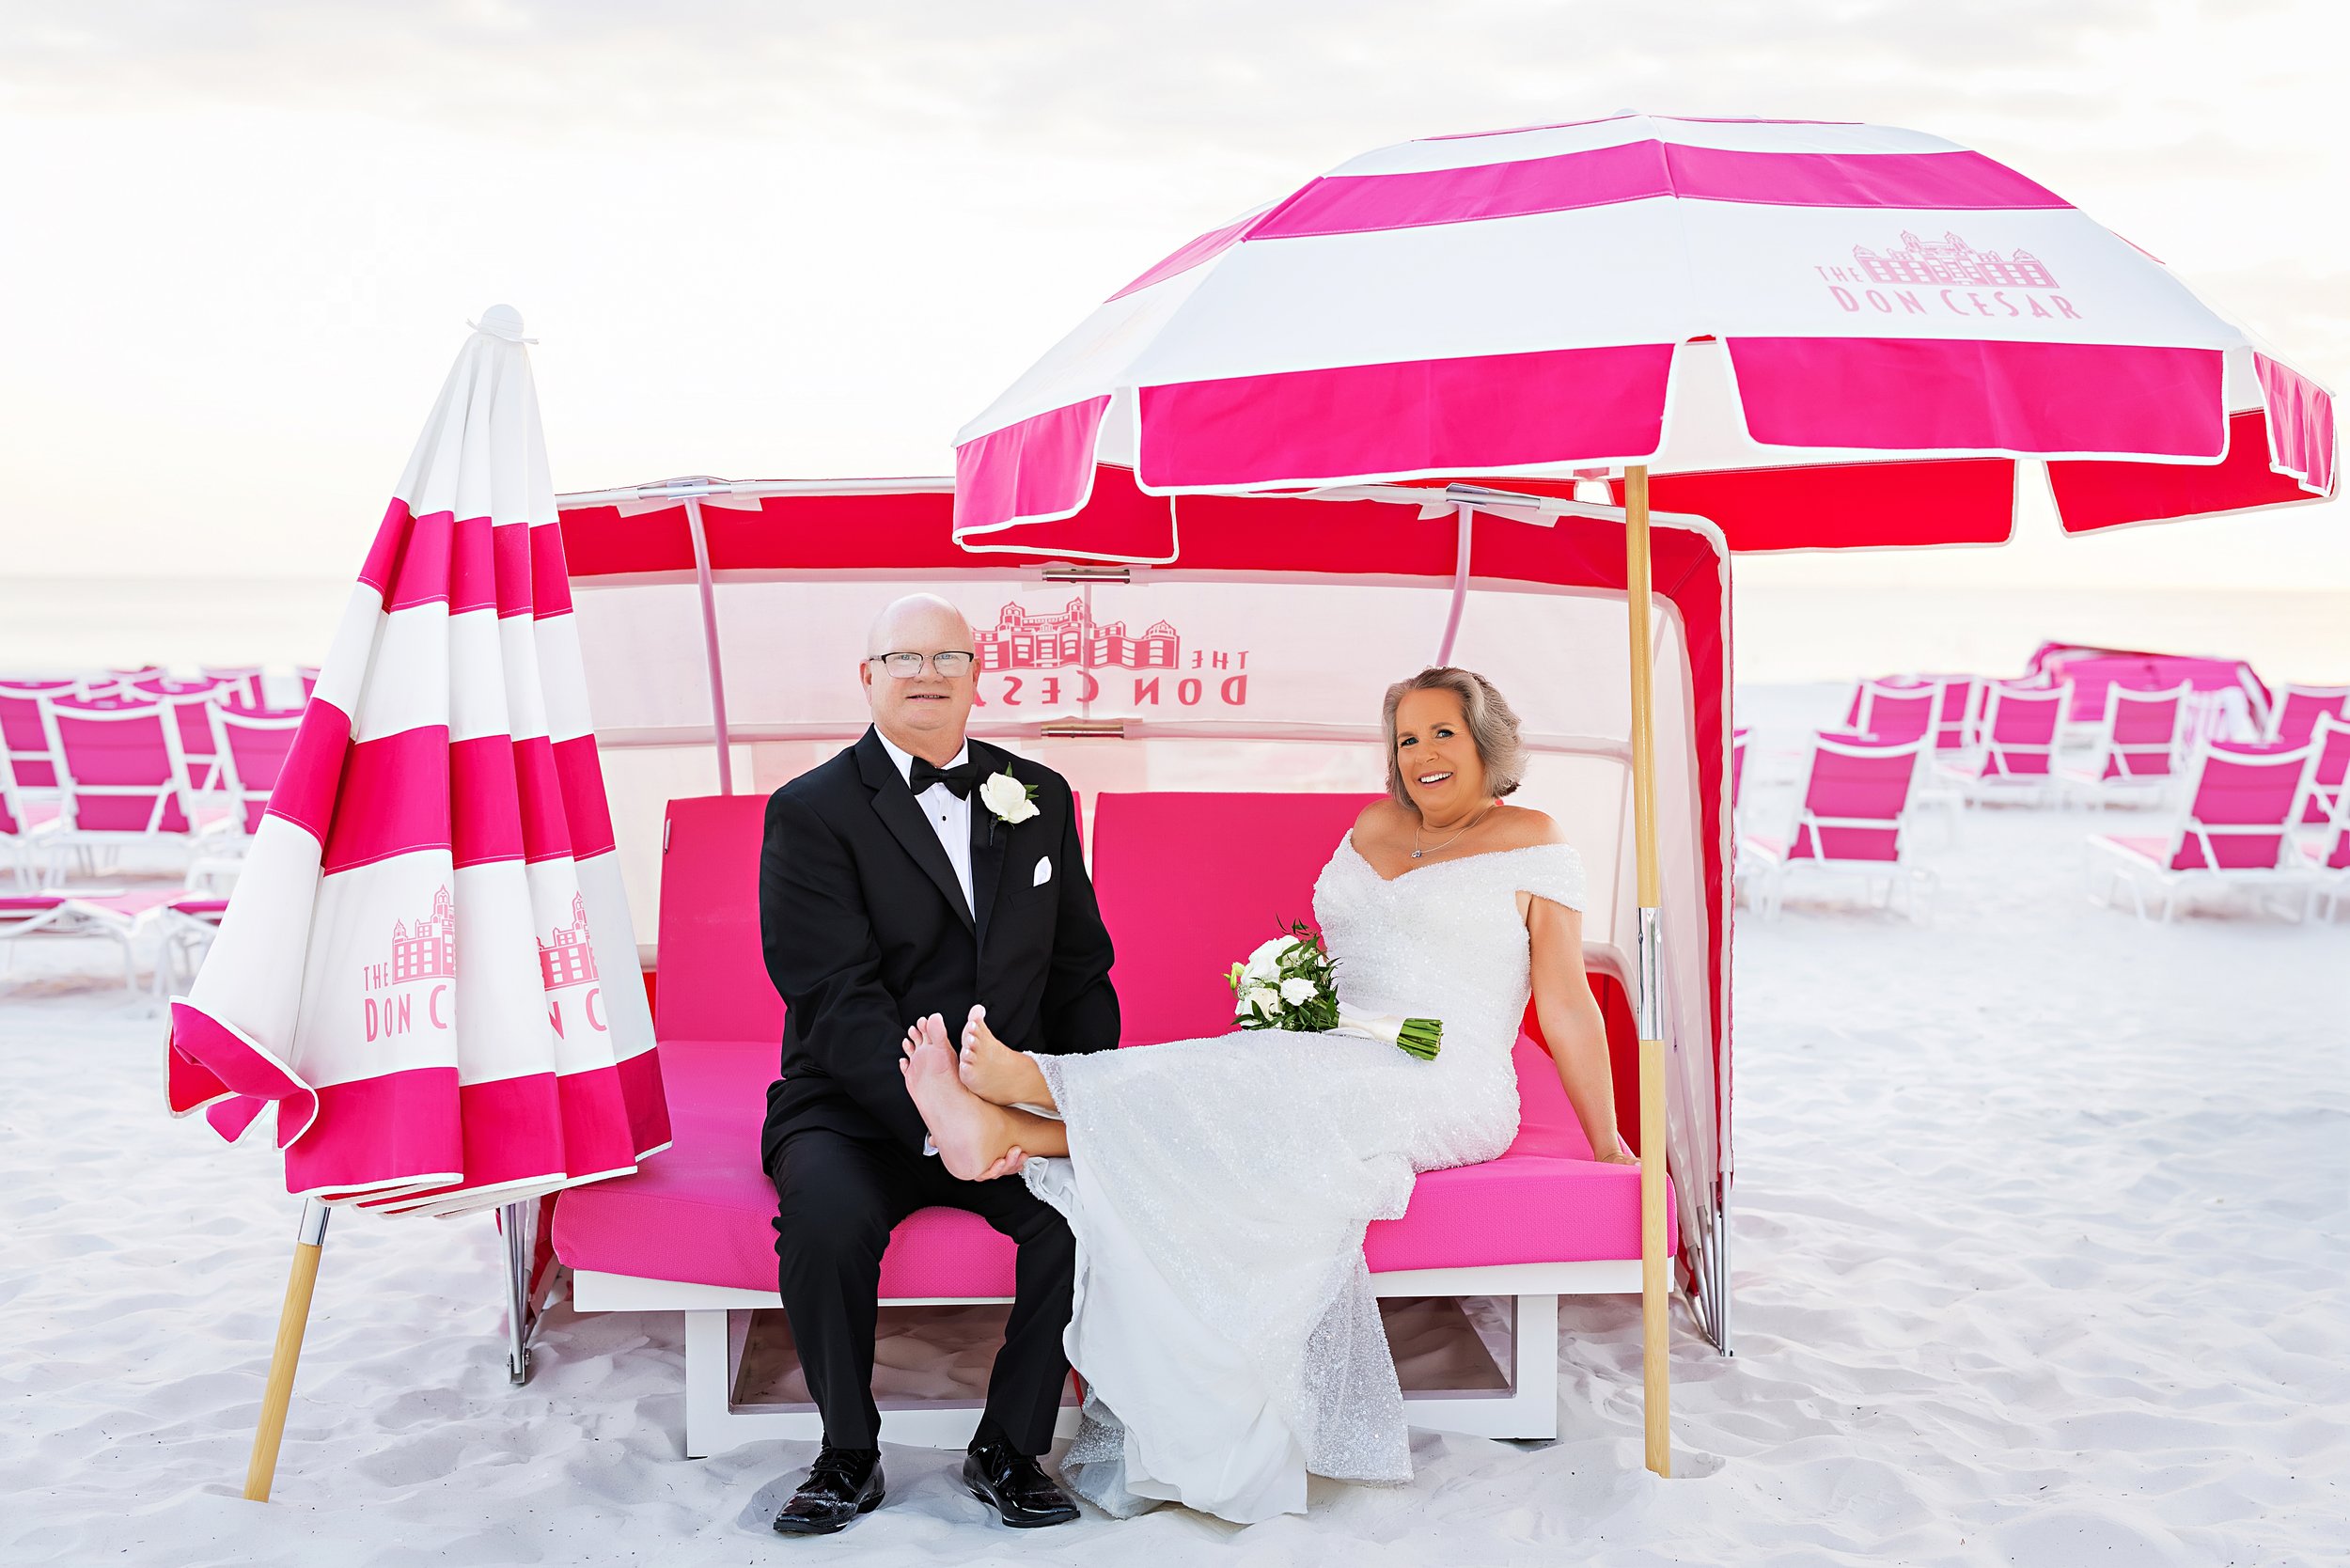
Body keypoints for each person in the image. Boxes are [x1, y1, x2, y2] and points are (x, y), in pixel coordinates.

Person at [897, 665, 1635, 1524]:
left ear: (1486, 746)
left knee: (1272, 1084)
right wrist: (1296, 995)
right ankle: (1026, 1109)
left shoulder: (1533, 838)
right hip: (1334, 1046)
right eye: (1407, 738)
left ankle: (1034, 1099)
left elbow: (1569, 1003)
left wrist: (1608, 1138)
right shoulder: (1372, 825)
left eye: (1445, 734)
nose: (1424, 754)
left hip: (1449, 1073)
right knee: (1242, 1068)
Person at [759, 593, 1118, 1536]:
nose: (926, 674)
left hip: (1007, 1094)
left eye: (946, 658)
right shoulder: (808, 812)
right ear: (868, 677)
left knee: (1080, 1216)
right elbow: (830, 993)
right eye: (902, 657)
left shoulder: (1038, 795)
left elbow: (1081, 969)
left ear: (976, 673)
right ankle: (847, 1452)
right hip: (850, 1100)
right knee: (828, 1223)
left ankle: (1009, 1446)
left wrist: (1075, 1099)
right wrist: (939, 1117)